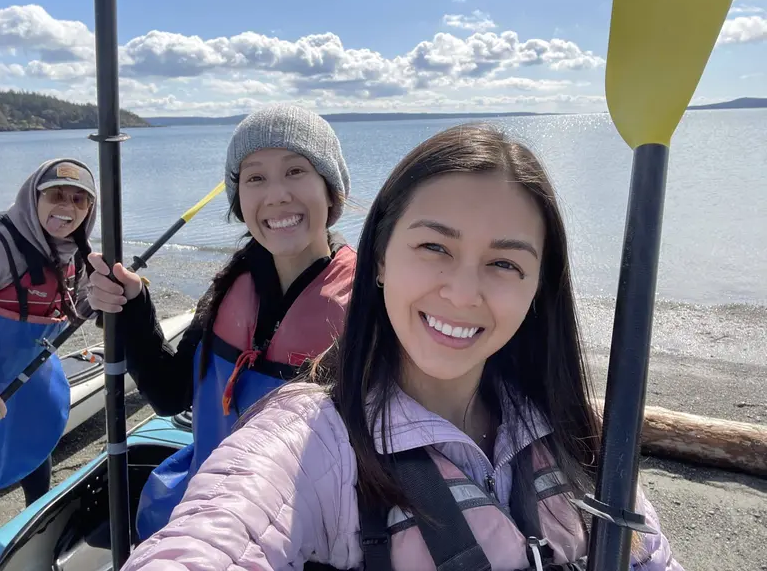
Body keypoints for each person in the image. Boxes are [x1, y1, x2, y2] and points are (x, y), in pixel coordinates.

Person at [119, 123, 682, 571]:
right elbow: (216, 524)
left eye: (505, 262)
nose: (462, 293)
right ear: (383, 260)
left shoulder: (575, 437)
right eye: (434, 246)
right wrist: (133, 310)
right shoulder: (303, 425)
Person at [86, 104, 356, 541]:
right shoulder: (231, 284)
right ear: (239, 200)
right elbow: (171, 395)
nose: (276, 195)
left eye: (295, 171)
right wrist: (134, 306)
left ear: (331, 191)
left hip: (302, 532)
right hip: (204, 509)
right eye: (254, 177)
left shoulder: (366, 306)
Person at [0, 158, 96, 507]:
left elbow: (76, 303)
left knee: (34, 453)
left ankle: (37, 535)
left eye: (79, 199)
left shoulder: (73, 250)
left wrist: (103, 295)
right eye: (55, 194)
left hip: (27, 388)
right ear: (33, 197)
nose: (66, 207)